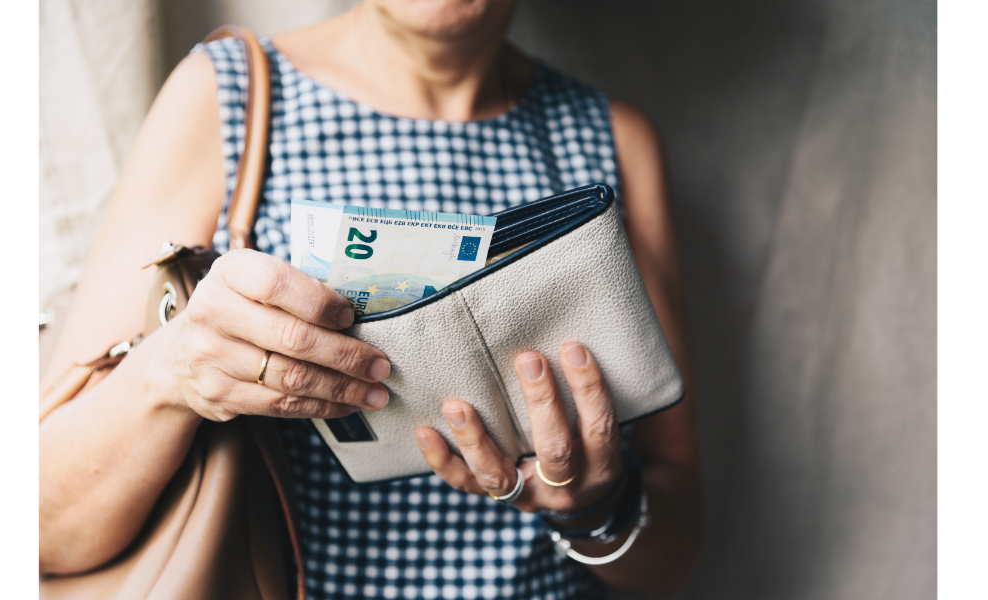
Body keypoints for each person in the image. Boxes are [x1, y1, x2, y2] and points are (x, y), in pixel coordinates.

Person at [39, 0, 703, 597]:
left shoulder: (615, 141)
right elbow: (35, 526)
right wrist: (171, 372)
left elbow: (671, 562)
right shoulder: (227, 95)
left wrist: (599, 505)